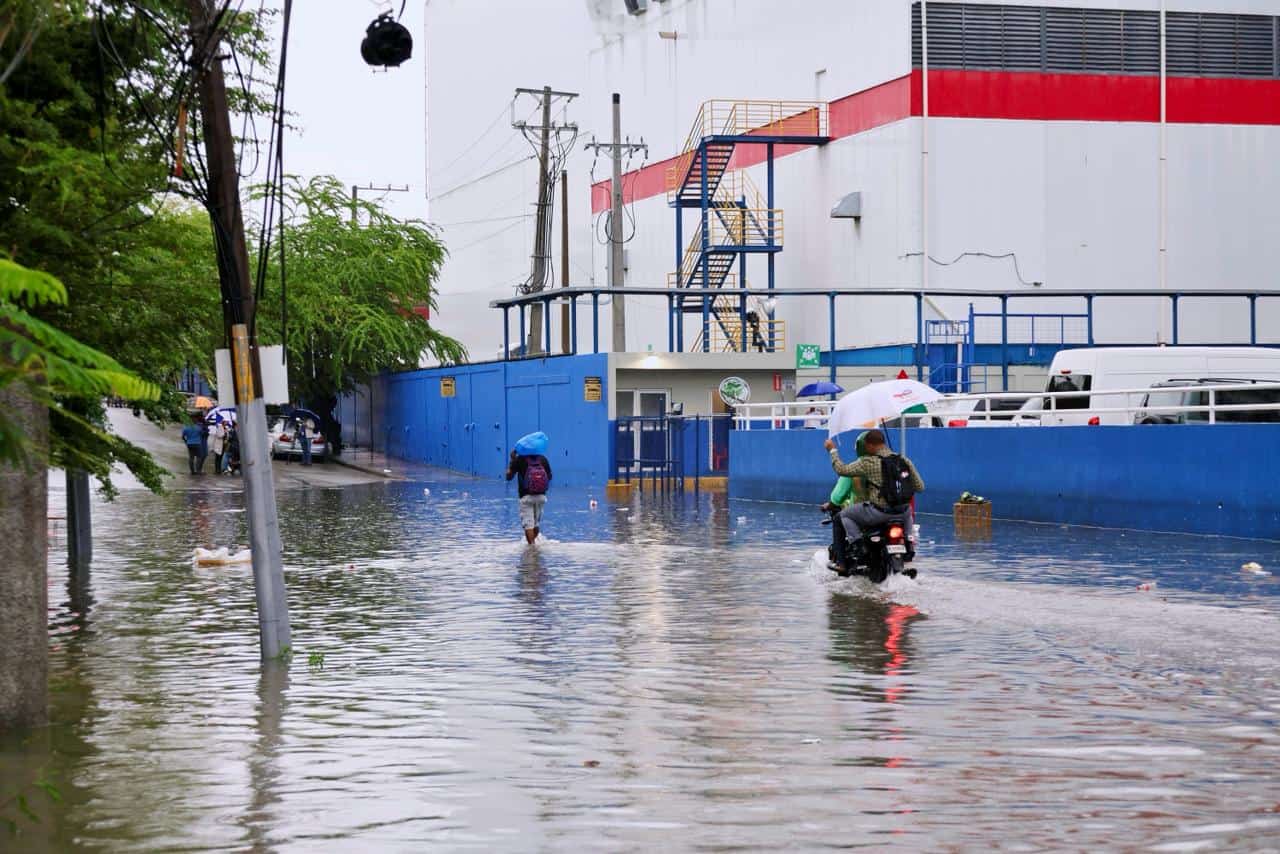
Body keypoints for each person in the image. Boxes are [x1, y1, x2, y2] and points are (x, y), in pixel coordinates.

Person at [824, 428, 925, 556]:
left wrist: (832, 450)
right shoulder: (903, 460)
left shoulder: (868, 462)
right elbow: (920, 487)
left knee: (845, 515)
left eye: (867, 446)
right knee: (907, 512)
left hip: (879, 513)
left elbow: (841, 470)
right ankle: (909, 542)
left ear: (870, 445)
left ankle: (858, 545)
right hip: (903, 513)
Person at [506, 446, 552, 544]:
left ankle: (531, 550)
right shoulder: (542, 459)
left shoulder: (520, 459)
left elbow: (508, 477)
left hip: (526, 497)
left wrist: (512, 460)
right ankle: (534, 546)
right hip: (541, 497)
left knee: (528, 525)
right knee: (535, 524)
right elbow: (550, 477)